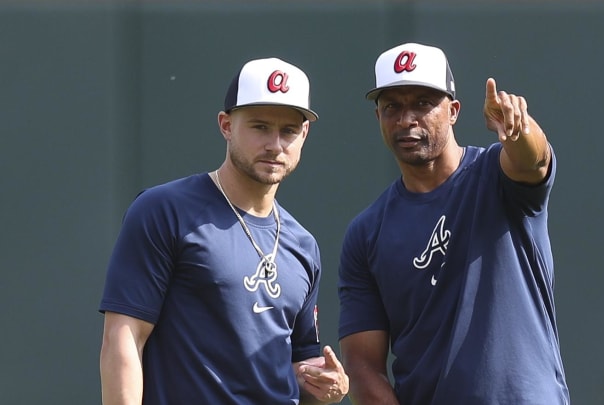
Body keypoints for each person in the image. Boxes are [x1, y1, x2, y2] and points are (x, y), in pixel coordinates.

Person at [99, 57, 348, 404]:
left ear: (304, 134)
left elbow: (299, 363)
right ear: (226, 125)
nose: (275, 144)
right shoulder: (165, 210)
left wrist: (327, 385)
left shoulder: (303, 244)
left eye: (289, 130)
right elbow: (123, 337)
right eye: (260, 126)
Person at [337, 42, 570, 404]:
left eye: (422, 104)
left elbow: (533, 163)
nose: (406, 119)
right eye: (392, 107)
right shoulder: (367, 232)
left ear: (453, 111)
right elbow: (363, 365)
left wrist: (519, 131)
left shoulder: (494, 174)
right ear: (378, 116)